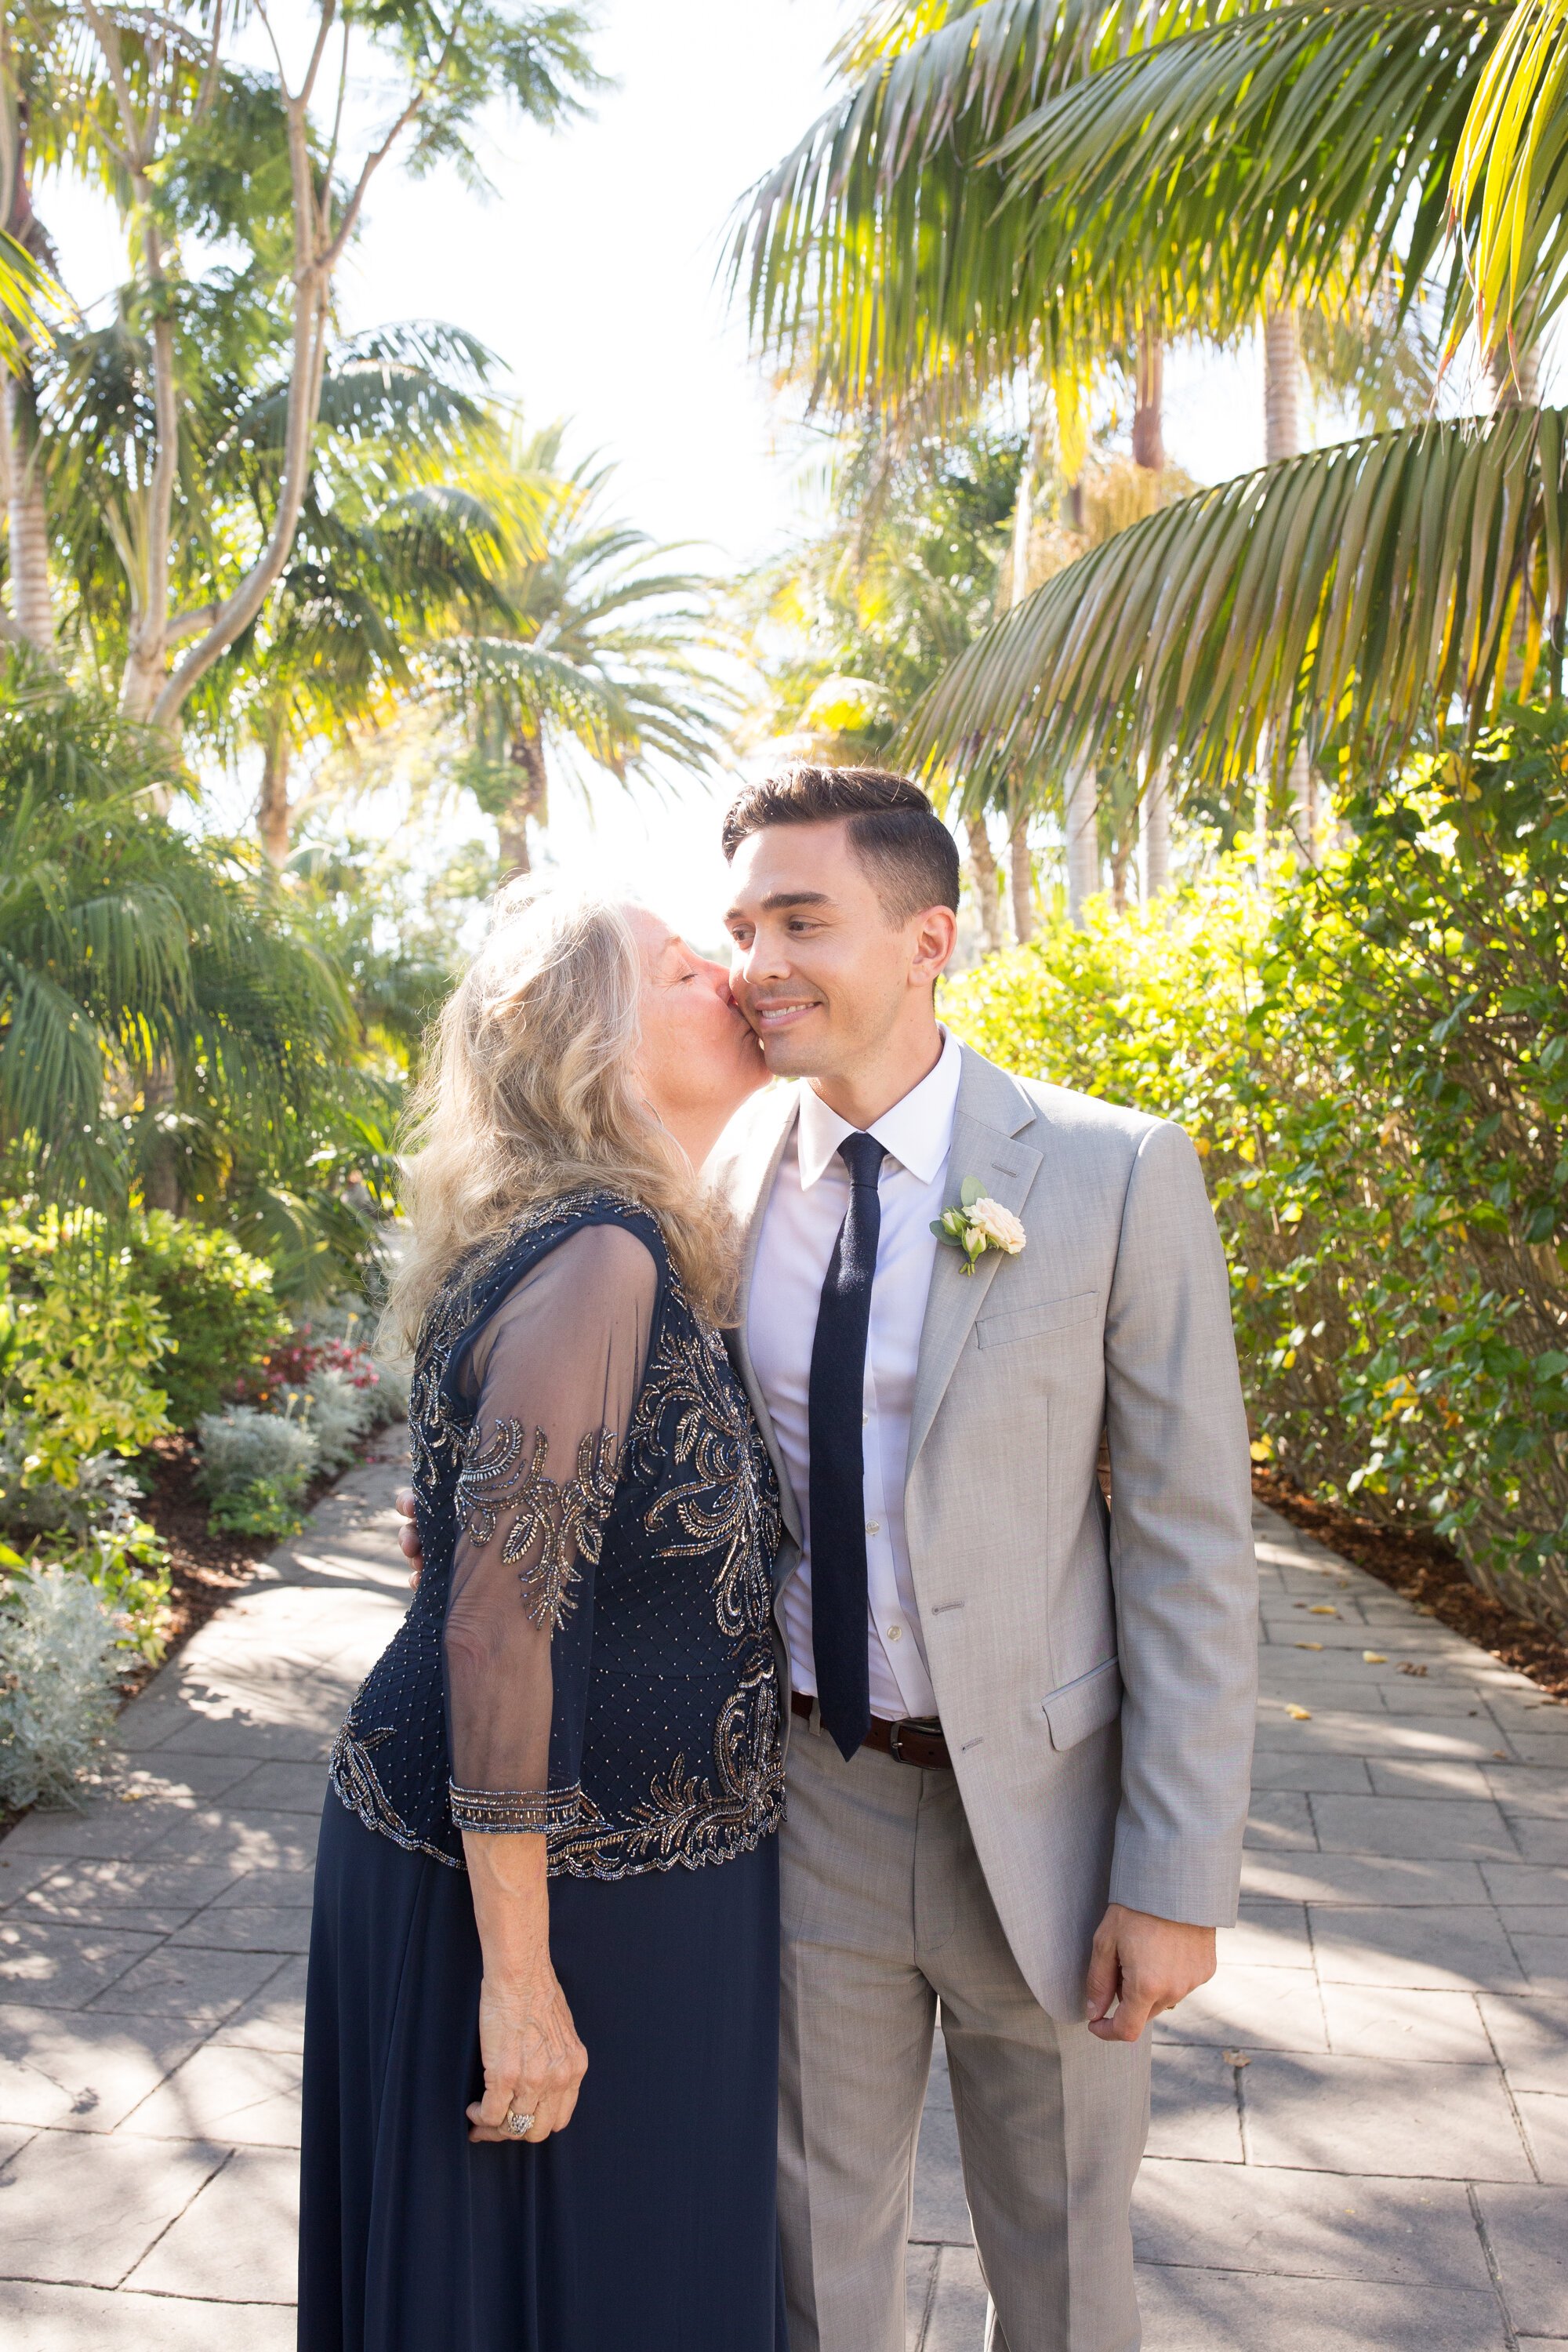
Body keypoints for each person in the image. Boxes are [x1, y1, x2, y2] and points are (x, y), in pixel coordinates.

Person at [709, 768, 1258, 2352]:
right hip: (814, 1798)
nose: (760, 965)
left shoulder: (1109, 1170)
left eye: (802, 921)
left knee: (1069, 2264)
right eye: (742, 927)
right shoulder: (725, 1183)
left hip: (1052, 1817)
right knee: (813, 2261)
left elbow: (1187, 1542)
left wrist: (1174, 1875)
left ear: (929, 938)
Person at [299, 887, 789, 2352]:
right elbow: (495, 1633)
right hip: (536, 1899)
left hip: (626, 1875)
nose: (735, 975)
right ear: (592, 1039)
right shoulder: (600, 1258)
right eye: (684, 966)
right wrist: (521, 1986)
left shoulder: (619, 1242)